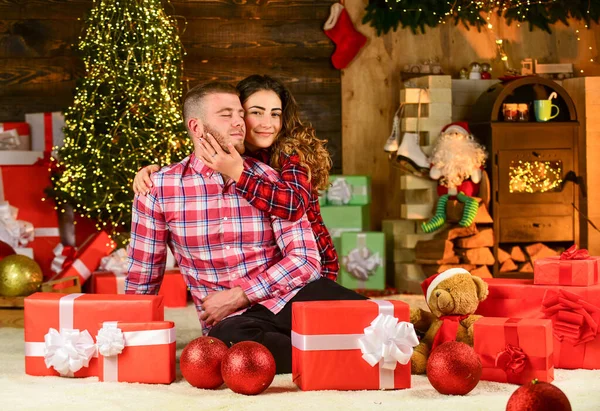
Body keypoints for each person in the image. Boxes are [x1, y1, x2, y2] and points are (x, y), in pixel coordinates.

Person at [126, 81, 366, 374]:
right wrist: (130, 341)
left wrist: (241, 293)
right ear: (196, 127)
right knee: (233, 348)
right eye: (226, 114)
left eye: (240, 114)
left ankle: (333, 346)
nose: (240, 122)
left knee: (373, 319)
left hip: (291, 297)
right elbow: (143, 278)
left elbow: (305, 260)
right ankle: (331, 350)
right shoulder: (160, 188)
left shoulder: (270, 177)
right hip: (232, 322)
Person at [133, 75, 340, 281]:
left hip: (316, 268)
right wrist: (156, 172)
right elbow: (200, 156)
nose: (267, 123)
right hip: (275, 279)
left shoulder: (288, 153)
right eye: (256, 113)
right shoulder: (231, 154)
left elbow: (293, 204)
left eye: (275, 114)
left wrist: (238, 174)